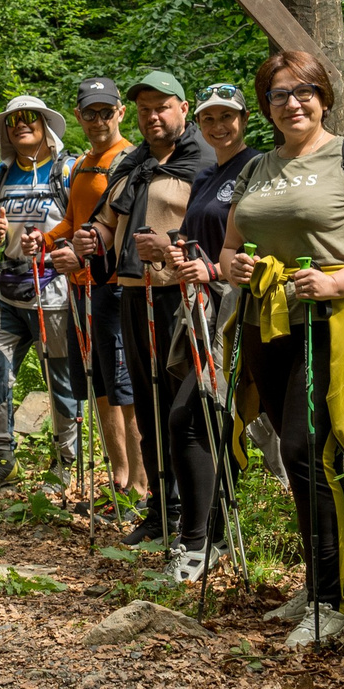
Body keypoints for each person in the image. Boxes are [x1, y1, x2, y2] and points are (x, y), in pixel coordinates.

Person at [219, 50, 344, 647]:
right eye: (279, 94)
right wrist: (238, 266)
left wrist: (335, 280)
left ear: (324, 96)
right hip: (267, 320)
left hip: (333, 322)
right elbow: (229, 250)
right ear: (267, 106)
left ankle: (332, 600)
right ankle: (318, 583)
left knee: (310, 452)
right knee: (293, 451)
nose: (293, 102)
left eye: (304, 90)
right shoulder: (257, 168)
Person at [81, 71, 209, 557]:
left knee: (183, 410)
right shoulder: (133, 163)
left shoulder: (204, 161)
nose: (152, 116)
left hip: (181, 296)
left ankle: (199, 517)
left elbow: (216, 230)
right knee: (151, 408)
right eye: (144, 109)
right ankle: (162, 510)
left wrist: (172, 245)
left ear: (183, 107)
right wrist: (89, 241)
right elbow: (108, 222)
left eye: (162, 107)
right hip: (133, 293)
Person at [162, 83, 262, 580]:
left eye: (227, 117)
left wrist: (215, 272)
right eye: (209, 119)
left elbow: (259, 241)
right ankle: (210, 535)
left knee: (197, 416)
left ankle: (198, 541)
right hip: (202, 313)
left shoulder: (259, 166)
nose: (219, 126)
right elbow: (195, 236)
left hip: (241, 311)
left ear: (245, 119)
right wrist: (176, 251)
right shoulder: (206, 174)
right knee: (200, 415)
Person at [0, 94, 83, 498]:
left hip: (55, 294)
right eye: (14, 121)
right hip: (8, 291)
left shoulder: (68, 171)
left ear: (46, 125)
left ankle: (65, 464)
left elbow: (82, 226)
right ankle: (2, 458)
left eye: (30, 118)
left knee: (62, 380)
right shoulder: (0, 175)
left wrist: (53, 246)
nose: (21, 125)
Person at [39, 77, 145, 516]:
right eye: (90, 113)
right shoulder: (82, 163)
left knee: (125, 386)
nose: (99, 120)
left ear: (121, 112)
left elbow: (120, 228)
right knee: (100, 384)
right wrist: (43, 243)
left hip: (113, 285)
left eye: (107, 111)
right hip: (81, 287)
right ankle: (119, 479)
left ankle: (141, 485)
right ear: (79, 117)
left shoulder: (132, 160)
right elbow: (71, 220)